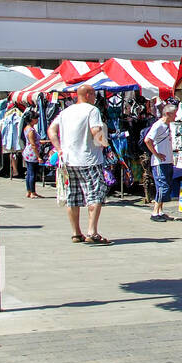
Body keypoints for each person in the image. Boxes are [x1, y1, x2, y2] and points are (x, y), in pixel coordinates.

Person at [48, 84, 111, 245]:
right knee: (95, 194)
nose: (96, 97)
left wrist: (59, 149)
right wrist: (104, 143)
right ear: (88, 94)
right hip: (89, 160)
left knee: (73, 196)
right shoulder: (92, 110)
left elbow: (51, 130)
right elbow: (95, 130)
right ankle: (92, 232)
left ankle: (76, 233)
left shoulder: (65, 112)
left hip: (69, 160)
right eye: (94, 94)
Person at [143, 102, 179, 221]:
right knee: (162, 186)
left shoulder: (167, 126)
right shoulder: (158, 125)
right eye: (174, 114)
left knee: (166, 185)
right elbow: (147, 140)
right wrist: (156, 154)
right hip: (159, 162)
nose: (175, 116)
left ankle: (160, 210)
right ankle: (154, 212)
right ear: (168, 114)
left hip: (167, 161)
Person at [0, 100, 24, 180]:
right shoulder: (19, 118)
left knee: (12, 154)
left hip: (10, 139)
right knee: (15, 154)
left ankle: (14, 170)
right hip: (16, 139)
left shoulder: (5, 119)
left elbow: (0, 128)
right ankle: (16, 170)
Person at [21, 107, 42, 199]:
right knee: (32, 173)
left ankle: (29, 191)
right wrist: (39, 156)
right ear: (32, 119)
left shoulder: (27, 128)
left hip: (28, 152)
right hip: (32, 153)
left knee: (29, 172)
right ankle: (32, 192)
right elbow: (33, 144)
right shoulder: (31, 131)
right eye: (36, 118)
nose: (37, 120)